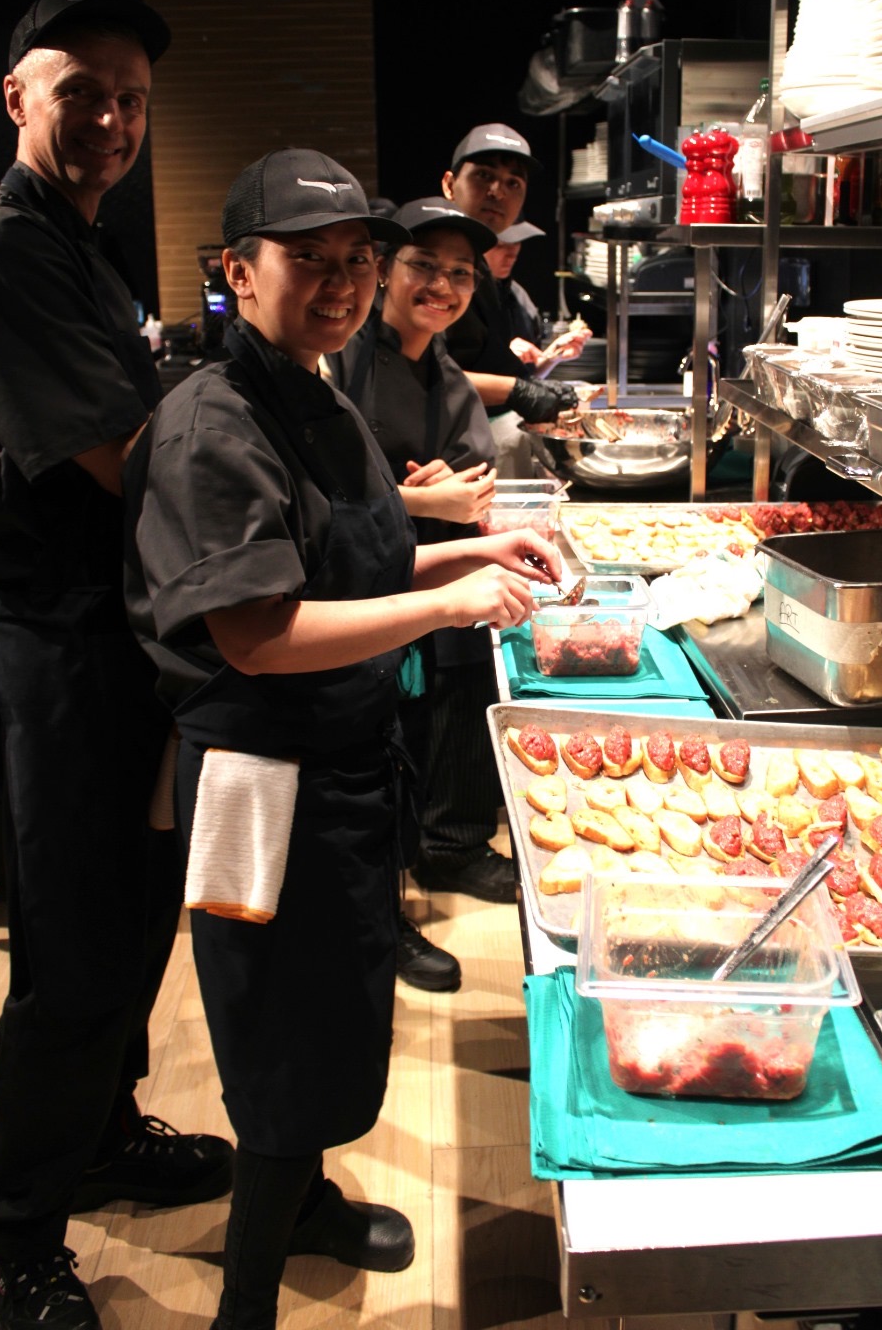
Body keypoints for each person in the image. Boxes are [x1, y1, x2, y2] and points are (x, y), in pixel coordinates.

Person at [124, 148, 561, 1330]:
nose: (341, 283)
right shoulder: (212, 421)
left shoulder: (317, 391)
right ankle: (246, 1300)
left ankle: (307, 1204)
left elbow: (352, 562)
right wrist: (447, 605)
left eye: (357, 260)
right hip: (258, 781)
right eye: (307, 259)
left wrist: (471, 550)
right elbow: (261, 633)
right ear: (238, 272)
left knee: (332, 1006)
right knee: (275, 1025)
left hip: (346, 763)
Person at [0, 0, 233, 1330]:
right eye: (84, 93)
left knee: (136, 912)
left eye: (132, 99)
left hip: (128, 631)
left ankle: (104, 1132)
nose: (114, 121)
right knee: (73, 942)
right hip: (61, 644)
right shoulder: (1, 244)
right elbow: (123, 457)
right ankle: (17, 1221)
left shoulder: (88, 244)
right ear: (19, 97)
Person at [330, 196, 512, 917]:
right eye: (424, 266)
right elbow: (323, 492)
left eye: (461, 273)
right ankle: (389, 893)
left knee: (458, 694)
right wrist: (417, 499)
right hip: (357, 584)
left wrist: (455, 489)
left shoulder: (444, 370)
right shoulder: (341, 357)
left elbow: (473, 476)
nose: (442, 285)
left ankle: (449, 846)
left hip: (431, 570)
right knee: (381, 731)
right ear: (383, 269)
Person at [441, 124, 581, 476]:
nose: (497, 191)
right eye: (483, 175)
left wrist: (534, 377)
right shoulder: (430, 262)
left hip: (466, 449)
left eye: (512, 183)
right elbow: (420, 374)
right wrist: (518, 390)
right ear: (449, 185)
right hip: (427, 460)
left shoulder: (481, 274)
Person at [484, 219, 592, 373]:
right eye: (500, 245)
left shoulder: (518, 296)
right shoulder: (464, 300)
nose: (511, 254)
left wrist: (552, 356)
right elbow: (454, 379)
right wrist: (502, 357)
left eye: (516, 243)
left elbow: (529, 377)